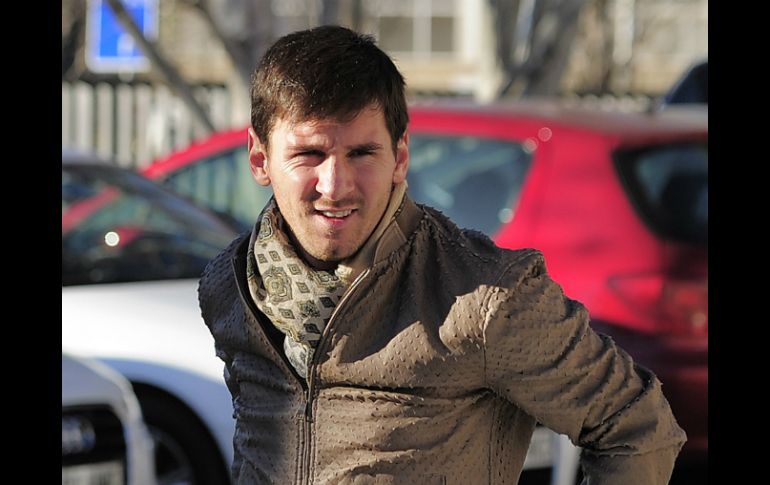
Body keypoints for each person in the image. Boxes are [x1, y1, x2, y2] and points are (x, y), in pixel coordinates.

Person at [199, 25, 686, 484]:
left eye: (362, 154)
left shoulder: (485, 300)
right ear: (260, 158)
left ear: (400, 157)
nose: (336, 185)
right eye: (309, 154)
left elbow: (638, 426)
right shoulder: (230, 286)